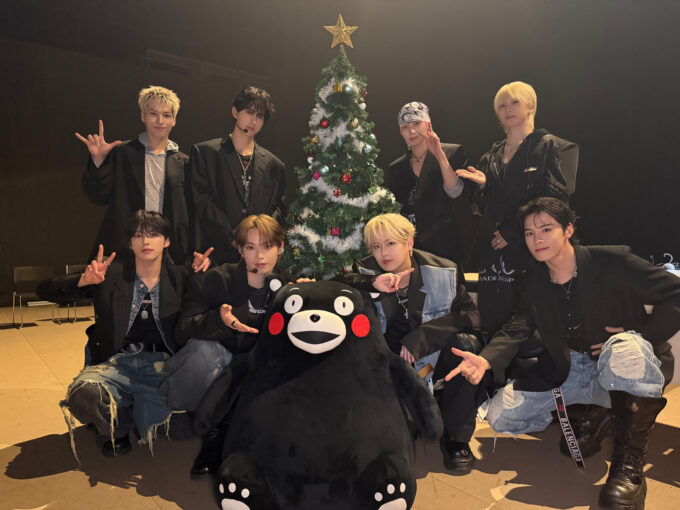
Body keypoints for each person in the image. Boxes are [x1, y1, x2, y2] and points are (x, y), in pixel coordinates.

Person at [445, 197, 679, 509]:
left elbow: (675, 293)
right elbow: (519, 325)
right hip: (572, 367)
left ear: (568, 230)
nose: (537, 239)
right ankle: (598, 412)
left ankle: (629, 466)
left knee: (627, 351)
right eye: (529, 233)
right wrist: (486, 359)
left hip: (620, 361)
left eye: (546, 229)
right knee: (501, 416)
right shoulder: (534, 280)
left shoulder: (612, 261)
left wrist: (640, 332)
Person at [37, 211, 192, 458]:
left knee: (184, 429)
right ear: (130, 243)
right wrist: (83, 281)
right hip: (117, 364)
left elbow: (218, 291)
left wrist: (207, 267)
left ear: (167, 241)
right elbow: (45, 290)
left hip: (162, 366)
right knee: (82, 394)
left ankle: (133, 410)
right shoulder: (110, 276)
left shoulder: (182, 278)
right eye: (138, 235)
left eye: (153, 234)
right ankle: (120, 424)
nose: (146, 241)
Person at [337, 213, 483, 473]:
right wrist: (371, 283)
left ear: (409, 243)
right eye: (376, 246)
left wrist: (422, 337)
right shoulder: (365, 272)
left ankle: (455, 439)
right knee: (396, 438)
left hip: (434, 357)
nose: (383, 254)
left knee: (466, 347)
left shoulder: (443, 270)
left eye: (390, 243)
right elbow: (335, 285)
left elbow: (471, 315)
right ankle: (408, 418)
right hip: (391, 365)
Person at [164, 214, 289, 479]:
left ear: (280, 247)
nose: (260, 256)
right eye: (251, 247)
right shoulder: (215, 280)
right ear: (239, 249)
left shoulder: (287, 287)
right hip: (218, 367)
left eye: (267, 246)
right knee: (204, 352)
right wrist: (218, 321)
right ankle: (211, 434)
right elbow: (183, 330)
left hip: (257, 371)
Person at [456, 81, 571, 336]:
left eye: (515, 102)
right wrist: (484, 186)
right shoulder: (490, 157)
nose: (508, 109)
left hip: (533, 249)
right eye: (502, 105)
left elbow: (555, 200)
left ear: (531, 106)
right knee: (493, 322)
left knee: (531, 323)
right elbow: (481, 208)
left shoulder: (551, 147)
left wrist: (515, 230)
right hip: (494, 253)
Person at [77, 86, 195, 266]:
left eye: (166, 115)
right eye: (153, 114)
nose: (160, 121)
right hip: (125, 248)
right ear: (143, 116)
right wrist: (99, 161)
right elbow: (98, 196)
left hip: (169, 252)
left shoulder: (184, 162)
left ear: (174, 120)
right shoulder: (123, 153)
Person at [188, 86, 287, 265]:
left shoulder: (274, 165)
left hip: (258, 257)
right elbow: (202, 202)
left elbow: (278, 209)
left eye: (260, 116)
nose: (253, 121)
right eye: (249, 112)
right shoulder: (206, 153)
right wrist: (234, 238)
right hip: (216, 254)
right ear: (235, 112)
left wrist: (258, 239)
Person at [386, 102, 473, 266]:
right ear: (400, 132)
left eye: (416, 124)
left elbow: (456, 192)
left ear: (428, 125)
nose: (412, 131)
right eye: (405, 127)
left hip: (445, 246)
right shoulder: (396, 168)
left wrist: (439, 155)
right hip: (411, 249)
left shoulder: (451, 153)